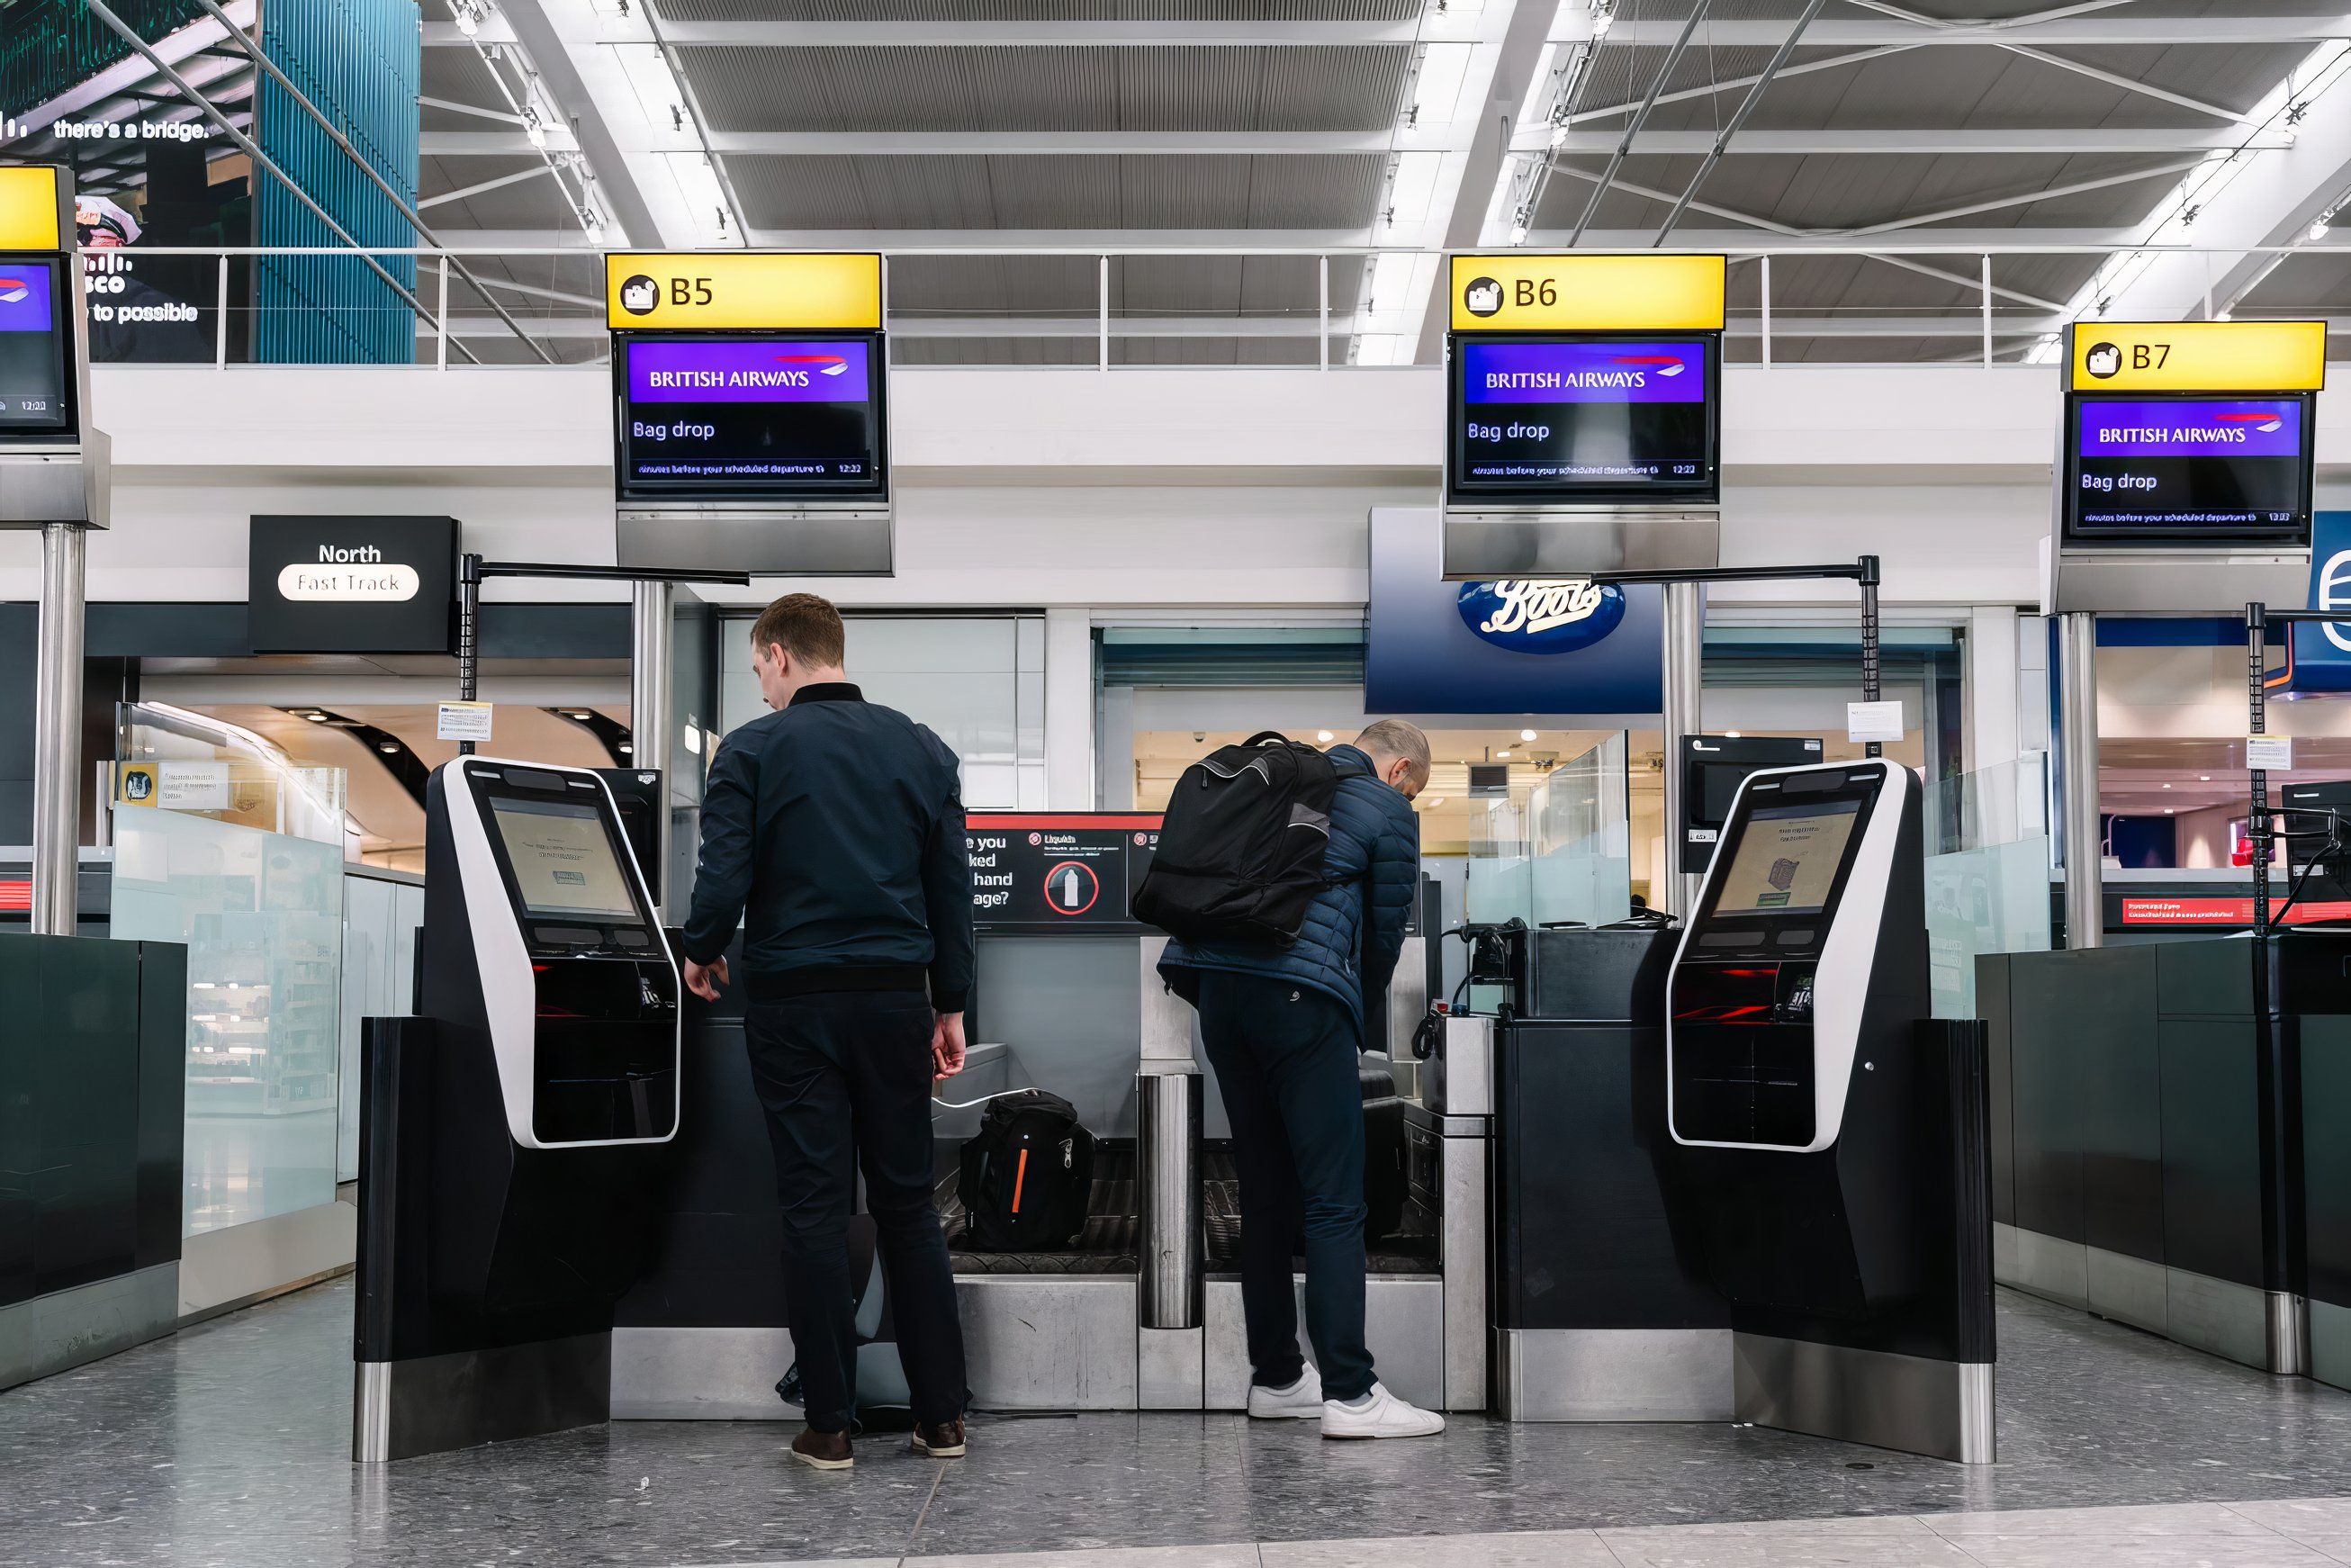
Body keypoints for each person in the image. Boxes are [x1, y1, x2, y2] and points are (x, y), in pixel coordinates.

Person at [679, 592, 972, 1472]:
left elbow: (723, 875)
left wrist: (699, 950)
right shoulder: (921, 747)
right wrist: (949, 1004)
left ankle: (830, 1424)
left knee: (812, 1208)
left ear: (775, 654)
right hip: (892, 1002)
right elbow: (949, 892)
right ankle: (941, 1417)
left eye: (757, 670)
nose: (759, 687)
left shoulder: (754, 748)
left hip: (793, 1005)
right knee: (908, 1205)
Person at [1157, 720, 1443, 1439]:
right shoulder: (1386, 810)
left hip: (1220, 1000)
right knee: (1334, 1200)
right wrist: (1354, 1016)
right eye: (1413, 786)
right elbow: (1381, 938)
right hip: (1301, 1004)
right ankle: (1351, 1394)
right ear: (1400, 769)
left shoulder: (1277, 780)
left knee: (1265, 1191)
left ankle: (1279, 1377)